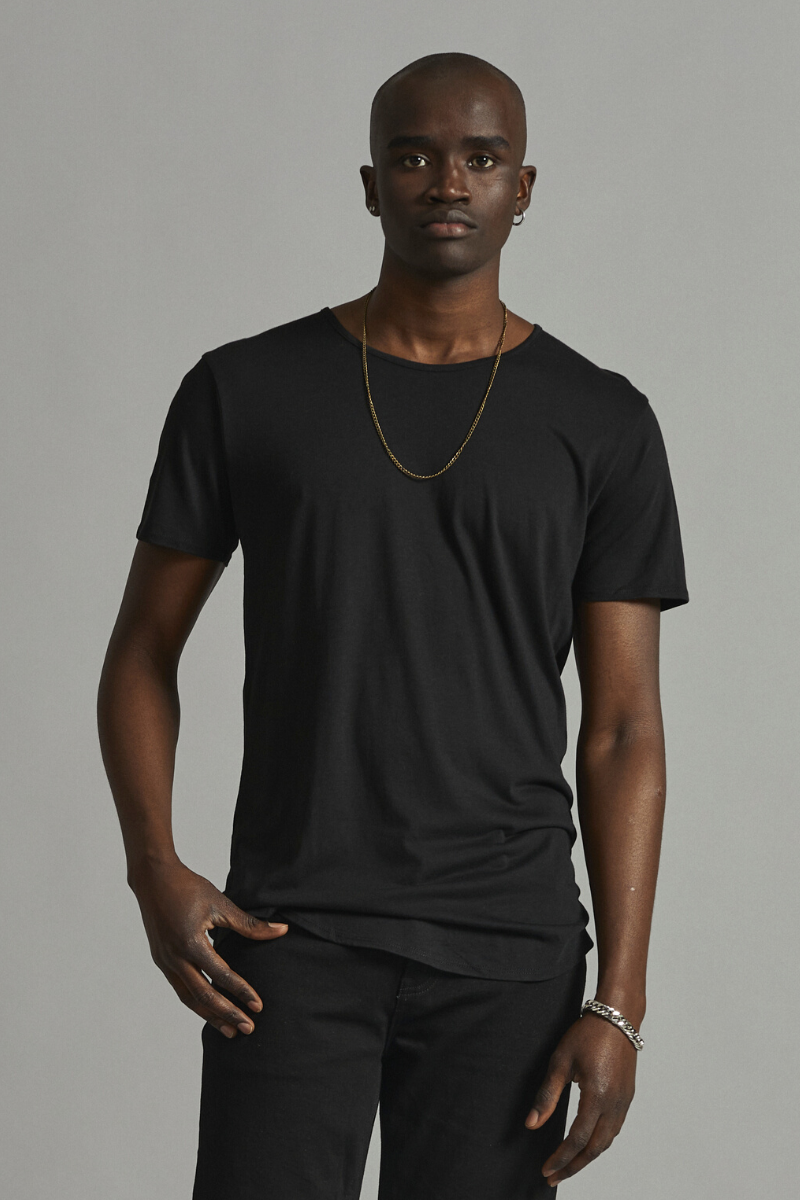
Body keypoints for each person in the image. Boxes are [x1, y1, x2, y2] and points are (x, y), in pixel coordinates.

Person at [98, 51, 688, 1198]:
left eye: (481, 158)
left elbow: (623, 728)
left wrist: (618, 1000)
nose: (447, 183)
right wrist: (152, 868)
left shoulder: (602, 422)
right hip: (286, 945)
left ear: (522, 187)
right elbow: (141, 652)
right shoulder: (244, 390)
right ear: (370, 185)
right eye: (413, 157)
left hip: (508, 957)